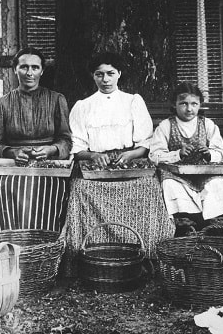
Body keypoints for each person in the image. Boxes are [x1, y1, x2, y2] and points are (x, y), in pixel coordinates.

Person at [64, 53, 174, 275]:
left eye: (110, 74)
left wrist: (131, 155)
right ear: (93, 76)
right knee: (79, 188)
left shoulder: (133, 101)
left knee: (150, 187)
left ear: (119, 75)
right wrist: (94, 155)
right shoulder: (83, 106)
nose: (105, 79)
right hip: (96, 168)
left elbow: (145, 143)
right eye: (99, 74)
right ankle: (86, 253)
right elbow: (77, 148)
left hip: (129, 164)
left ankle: (147, 253)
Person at [0, 47, 72, 233]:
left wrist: (51, 150)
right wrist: (12, 152)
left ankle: (44, 244)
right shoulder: (1, 103)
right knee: (10, 186)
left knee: (53, 189)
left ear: (42, 71)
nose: (29, 73)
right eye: (24, 67)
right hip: (13, 165)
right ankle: (12, 242)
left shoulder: (57, 100)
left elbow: (66, 140)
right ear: (15, 70)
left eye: (35, 67)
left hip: (48, 165)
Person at [149, 82, 223, 222]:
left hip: (204, 174)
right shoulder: (166, 126)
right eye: (183, 103)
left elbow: (221, 153)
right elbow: (154, 155)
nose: (189, 109)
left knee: (220, 184)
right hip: (176, 176)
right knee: (169, 186)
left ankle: (211, 221)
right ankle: (186, 220)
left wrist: (210, 154)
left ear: (200, 105)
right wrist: (178, 154)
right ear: (174, 104)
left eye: (194, 104)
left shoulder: (207, 124)